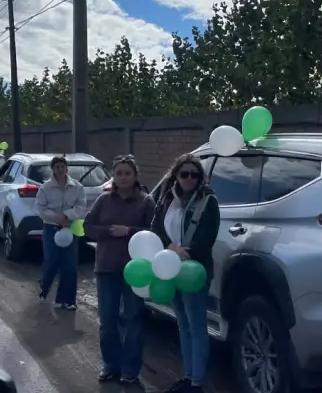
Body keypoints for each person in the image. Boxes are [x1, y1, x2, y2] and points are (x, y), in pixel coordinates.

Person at [150, 154, 221, 393]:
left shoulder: (207, 200)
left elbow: (207, 237)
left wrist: (184, 252)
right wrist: (169, 248)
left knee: (197, 324)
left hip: (194, 270)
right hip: (170, 266)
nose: (189, 178)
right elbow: (155, 228)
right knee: (183, 324)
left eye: (194, 174)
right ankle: (188, 376)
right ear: (176, 176)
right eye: (184, 174)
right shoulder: (167, 198)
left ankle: (197, 382)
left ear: (200, 178)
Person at [83, 155, 155, 386]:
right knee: (107, 321)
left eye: (127, 173)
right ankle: (110, 366)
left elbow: (154, 233)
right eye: (119, 173)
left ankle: (130, 369)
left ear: (135, 176)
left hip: (136, 272)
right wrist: (108, 232)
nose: (123, 177)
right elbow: (88, 227)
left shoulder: (145, 202)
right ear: (113, 176)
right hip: (106, 268)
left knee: (133, 320)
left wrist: (129, 231)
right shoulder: (104, 200)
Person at [35, 155, 87, 309]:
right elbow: (41, 208)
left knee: (70, 264)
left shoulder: (77, 187)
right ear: (53, 169)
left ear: (66, 168)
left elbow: (82, 206)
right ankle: (44, 289)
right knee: (51, 260)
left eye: (62, 166)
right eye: (57, 167)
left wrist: (68, 216)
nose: (60, 170)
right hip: (51, 227)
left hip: (71, 227)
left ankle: (67, 300)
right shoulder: (45, 188)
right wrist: (56, 217)